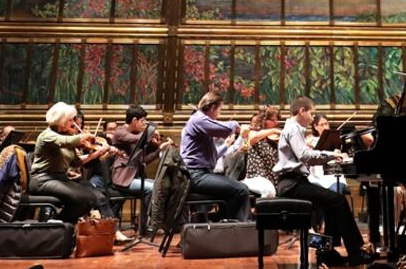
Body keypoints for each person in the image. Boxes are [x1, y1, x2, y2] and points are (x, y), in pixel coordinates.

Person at [274, 96, 374, 267]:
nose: (313, 118)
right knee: (338, 200)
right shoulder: (293, 128)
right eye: (311, 114)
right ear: (302, 111)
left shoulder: (293, 127)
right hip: (291, 184)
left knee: (332, 201)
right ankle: (356, 252)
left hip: (294, 182)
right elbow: (305, 156)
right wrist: (331, 155)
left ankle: (328, 253)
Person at [29, 102, 127, 241]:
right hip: (43, 179)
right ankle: (55, 227)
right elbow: (65, 141)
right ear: (60, 119)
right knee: (81, 199)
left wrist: (95, 154)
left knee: (91, 198)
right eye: (70, 120)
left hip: (60, 178)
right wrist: (84, 136)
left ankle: (60, 226)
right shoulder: (47, 135)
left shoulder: (67, 136)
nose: (73, 123)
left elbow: (75, 162)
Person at [180, 91, 250, 221]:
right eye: (219, 110)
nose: (219, 114)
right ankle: (241, 229)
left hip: (201, 173)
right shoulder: (198, 119)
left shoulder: (199, 121)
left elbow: (214, 156)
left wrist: (226, 145)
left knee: (233, 192)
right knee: (241, 190)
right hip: (195, 175)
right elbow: (226, 128)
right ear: (212, 108)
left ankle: (228, 227)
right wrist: (236, 125)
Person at [111, 105, 169, 196]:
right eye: (142, 121)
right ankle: (149, 211)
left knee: (161, 186)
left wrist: (158, 148)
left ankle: (151, 210)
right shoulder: (120, 132)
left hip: (135, 176)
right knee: (154, 189)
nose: (145, 123)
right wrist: (149, 133)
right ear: (134, 120)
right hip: (123, 178)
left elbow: (143, 160)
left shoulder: (137, 135)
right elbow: (134, 138)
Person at [241, 105, 281, 198]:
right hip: (256, 177)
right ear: (264, 120)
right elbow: (253, 139)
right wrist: (273, 130)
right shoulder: (253, 133)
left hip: (273, 178)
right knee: (268, 190)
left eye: (276, 120)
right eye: (273, 120)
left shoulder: (275, 138)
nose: (276, 122)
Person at [306, 114, 348, 195]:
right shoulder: (310, 140)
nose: (325, 127)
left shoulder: (335, 138)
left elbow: (337, 153)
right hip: (316, 177)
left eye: (326, 124)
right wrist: (308, 146)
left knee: (335, 191)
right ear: (315, 126)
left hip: (333, 176)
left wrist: (337, 152)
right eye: (322, 125)